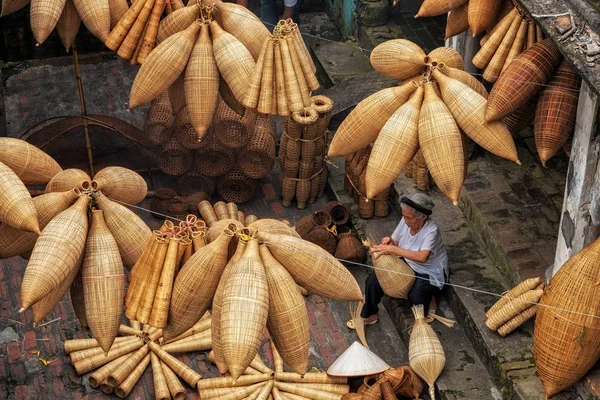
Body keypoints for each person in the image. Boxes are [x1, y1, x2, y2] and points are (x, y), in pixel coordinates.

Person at [348, 192, 449, 328]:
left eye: (409, 218)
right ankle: (369, 314)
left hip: (428, 270)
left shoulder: (431, 230)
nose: (405, 220)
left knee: (416, 296)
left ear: (423, 217)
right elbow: (395, 240)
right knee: (373, 280)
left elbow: (422, 257)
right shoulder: (405, 220)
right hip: (406, 261)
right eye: (404, 216)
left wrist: (394, 250)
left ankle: (428, 303)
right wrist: (390, 241)